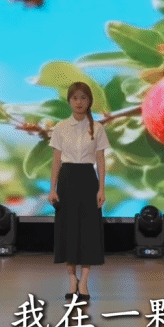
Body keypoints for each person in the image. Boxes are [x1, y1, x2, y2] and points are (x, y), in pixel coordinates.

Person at [47, 82, 108, 302]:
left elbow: (100, 161)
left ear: (89, 101)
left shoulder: (98, 128)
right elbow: (56, 160)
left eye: (83, 98)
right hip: (67, 179)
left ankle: (84, 282)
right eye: (75, 98)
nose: (79, 102)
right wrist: (52, 188)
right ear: (69, 101)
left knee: (89, 232)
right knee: (69, 230)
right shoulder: (61, 127)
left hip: (88, 179)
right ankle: (72, 279)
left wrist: (101, 188)